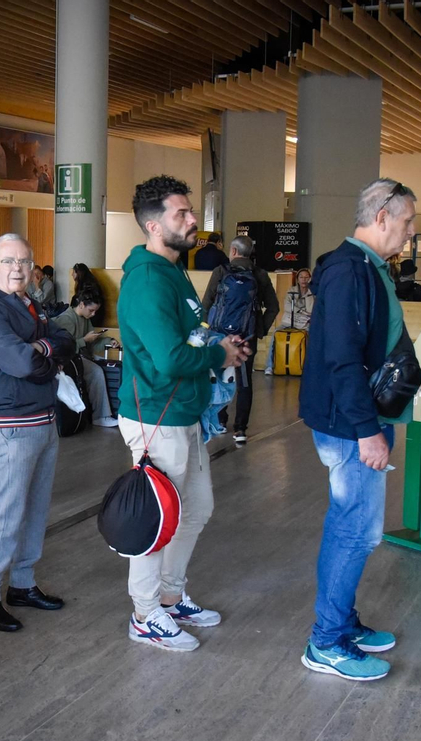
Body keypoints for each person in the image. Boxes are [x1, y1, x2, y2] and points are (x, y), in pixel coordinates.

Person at [116, 176, 244, 651]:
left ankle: (169, 598)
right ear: (153, 225)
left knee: (196, 509)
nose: (194, 220)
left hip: (183, 413)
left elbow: (187, 338)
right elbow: (169, 359)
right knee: (158, 519)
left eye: (191, 212)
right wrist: (219, 358)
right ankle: (145, 614)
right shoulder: (148, 279)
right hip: (155, 416)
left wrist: (219, 345)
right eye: (182, 214)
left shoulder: (173, 271)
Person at [298, 178, 418, 681]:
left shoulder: (369, 267)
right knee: (357, 534)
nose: (411, 233)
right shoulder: (350, 270)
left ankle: (341, 623)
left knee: (347, 527)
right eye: (407, 221)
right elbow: (342, 360)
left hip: (361, 422)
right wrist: (368, 430)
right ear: (382, 215)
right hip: (351, 427)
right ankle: (326, 642)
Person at [0, 233, 74, 632]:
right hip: (12, 426)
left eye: (25, 262)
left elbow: (66, 338)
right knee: (8, 515)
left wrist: (43, 348)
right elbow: (25, 363)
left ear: (33, 268)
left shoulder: (30, 304)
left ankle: (23, 584)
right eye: (9, 261)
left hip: (43, 419)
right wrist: (47, 353)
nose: (17, 269)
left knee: (35, 511)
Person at [201, 235, 280, 446]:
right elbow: (274, 307)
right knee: (244, 381)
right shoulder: (260, 274)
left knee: (219, 376)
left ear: (233, 251)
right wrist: (259, 329)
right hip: (246, 335)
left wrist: (206, 331)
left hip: (219, 335)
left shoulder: (221, 271)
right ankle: (241, 430)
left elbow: (206, 303)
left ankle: (220, 421)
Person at [53, 295, 117, 428]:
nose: (93, 314)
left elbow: (92, 344)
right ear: (81, 305)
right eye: (91, 310)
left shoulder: (85, 319)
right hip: (70, 359)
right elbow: (64, 347)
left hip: (80, 355)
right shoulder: (66, 319)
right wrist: (84, 340)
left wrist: (108, 341)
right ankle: (100, 415)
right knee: (96, 372)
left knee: (101, 364)